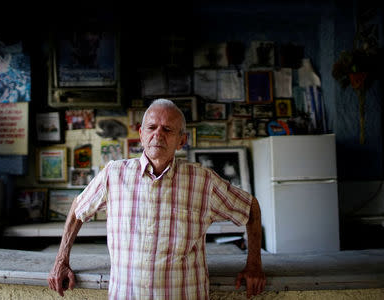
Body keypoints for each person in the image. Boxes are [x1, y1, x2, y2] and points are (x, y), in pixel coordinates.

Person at [48, 99, 266, 299]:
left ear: (182, 140)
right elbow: (78, 209)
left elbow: (250, 208)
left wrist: (254, 264)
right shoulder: (114, 174)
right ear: (141, 134)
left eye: (168, 129)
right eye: (152, 128)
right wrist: (61, 261)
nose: (158, 135)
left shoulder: (203, 181)